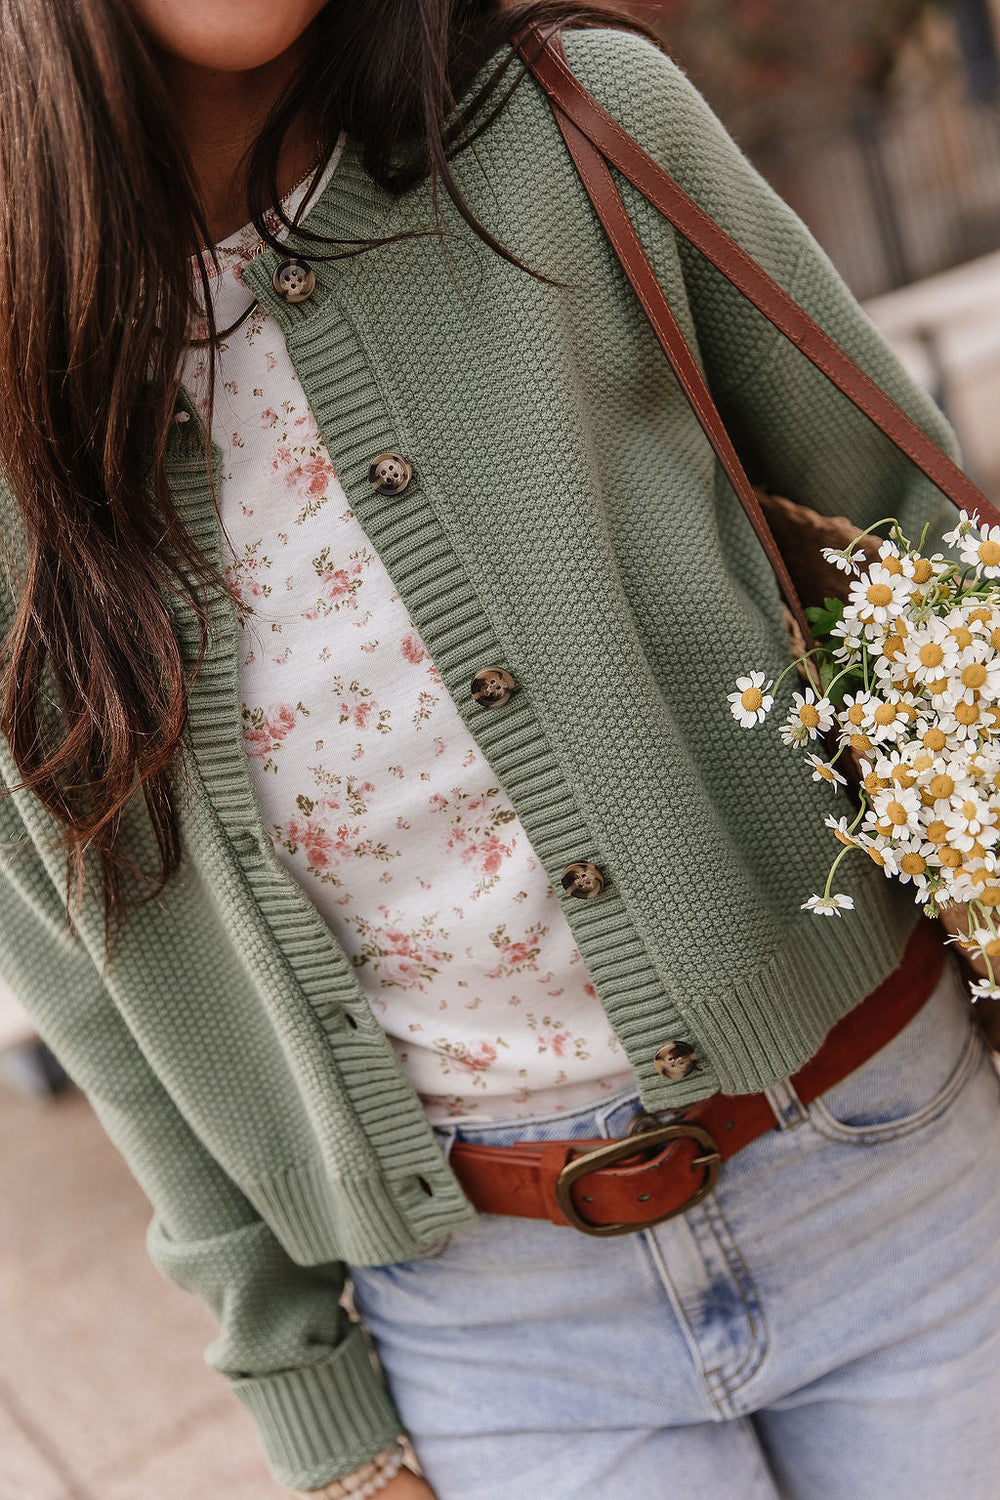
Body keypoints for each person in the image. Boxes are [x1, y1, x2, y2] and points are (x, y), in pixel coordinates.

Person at [0, 2, 998, 1497]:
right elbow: (88, 968)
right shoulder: (22, 385)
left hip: (895, 1167)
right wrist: (312, 1405)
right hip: (494, 1333)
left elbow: (917, 561)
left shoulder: (577, 122)